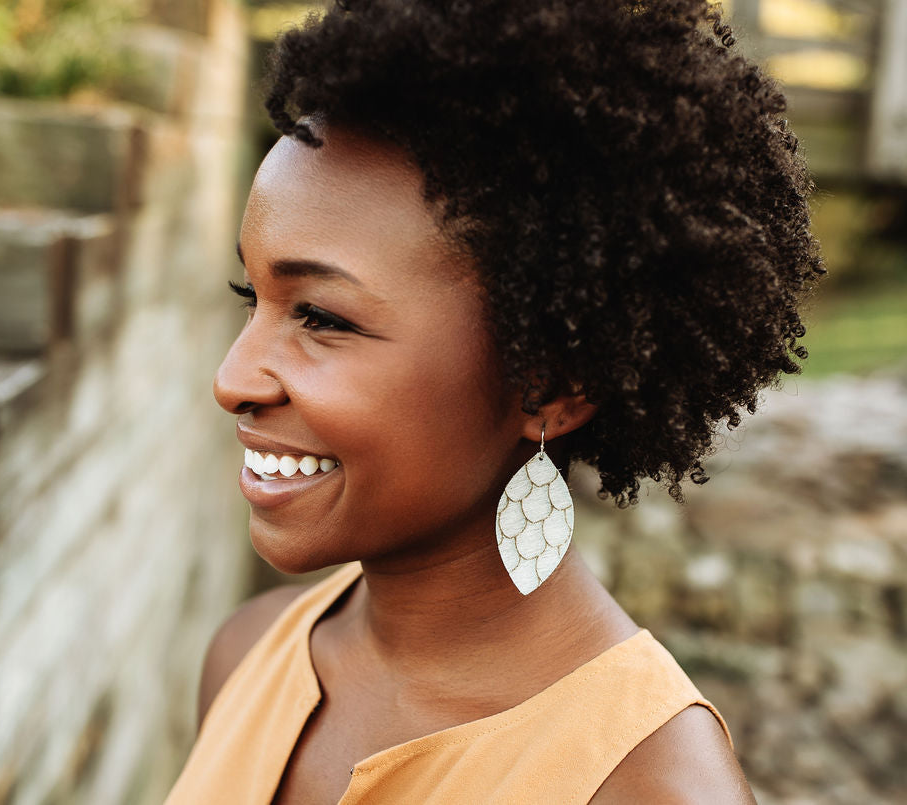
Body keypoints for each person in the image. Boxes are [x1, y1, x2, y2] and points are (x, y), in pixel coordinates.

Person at [166, 0, 822, 802]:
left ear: (548, 385)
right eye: (252, 293)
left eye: (322, 317)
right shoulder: (247, 655)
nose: (233, 378)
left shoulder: (643, 785)